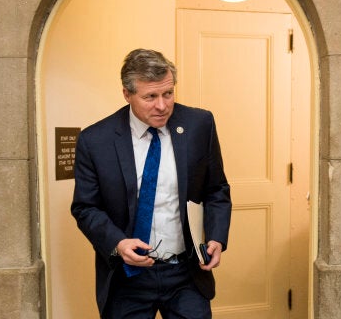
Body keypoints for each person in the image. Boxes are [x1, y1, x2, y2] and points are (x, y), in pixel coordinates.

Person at [71, 48, 232, 319]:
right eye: (150, 97)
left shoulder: (199, 124)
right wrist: (118, 243)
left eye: (168, 93)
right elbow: (86, 208)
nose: (162, 105)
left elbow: (216, 188)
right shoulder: (95, 140)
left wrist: (216, 236)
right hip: (127, 278)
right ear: (127, 93)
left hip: (186, 275)